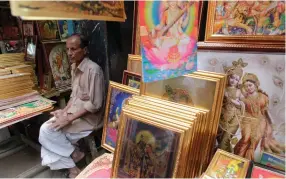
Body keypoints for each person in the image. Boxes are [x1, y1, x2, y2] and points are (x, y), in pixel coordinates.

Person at [39, 34, 104, 178]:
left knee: (47, 134)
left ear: (85, 50)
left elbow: (95, 105)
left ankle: (73, 161)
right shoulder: (74, 67)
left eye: (73, 49)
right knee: (46, 133)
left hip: (90, 120)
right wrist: (64, 112)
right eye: (68, 49)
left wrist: (69, 119)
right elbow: (74, 97)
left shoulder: (93, 70)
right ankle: (74, 156)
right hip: (74, 115)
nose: (69, 53)